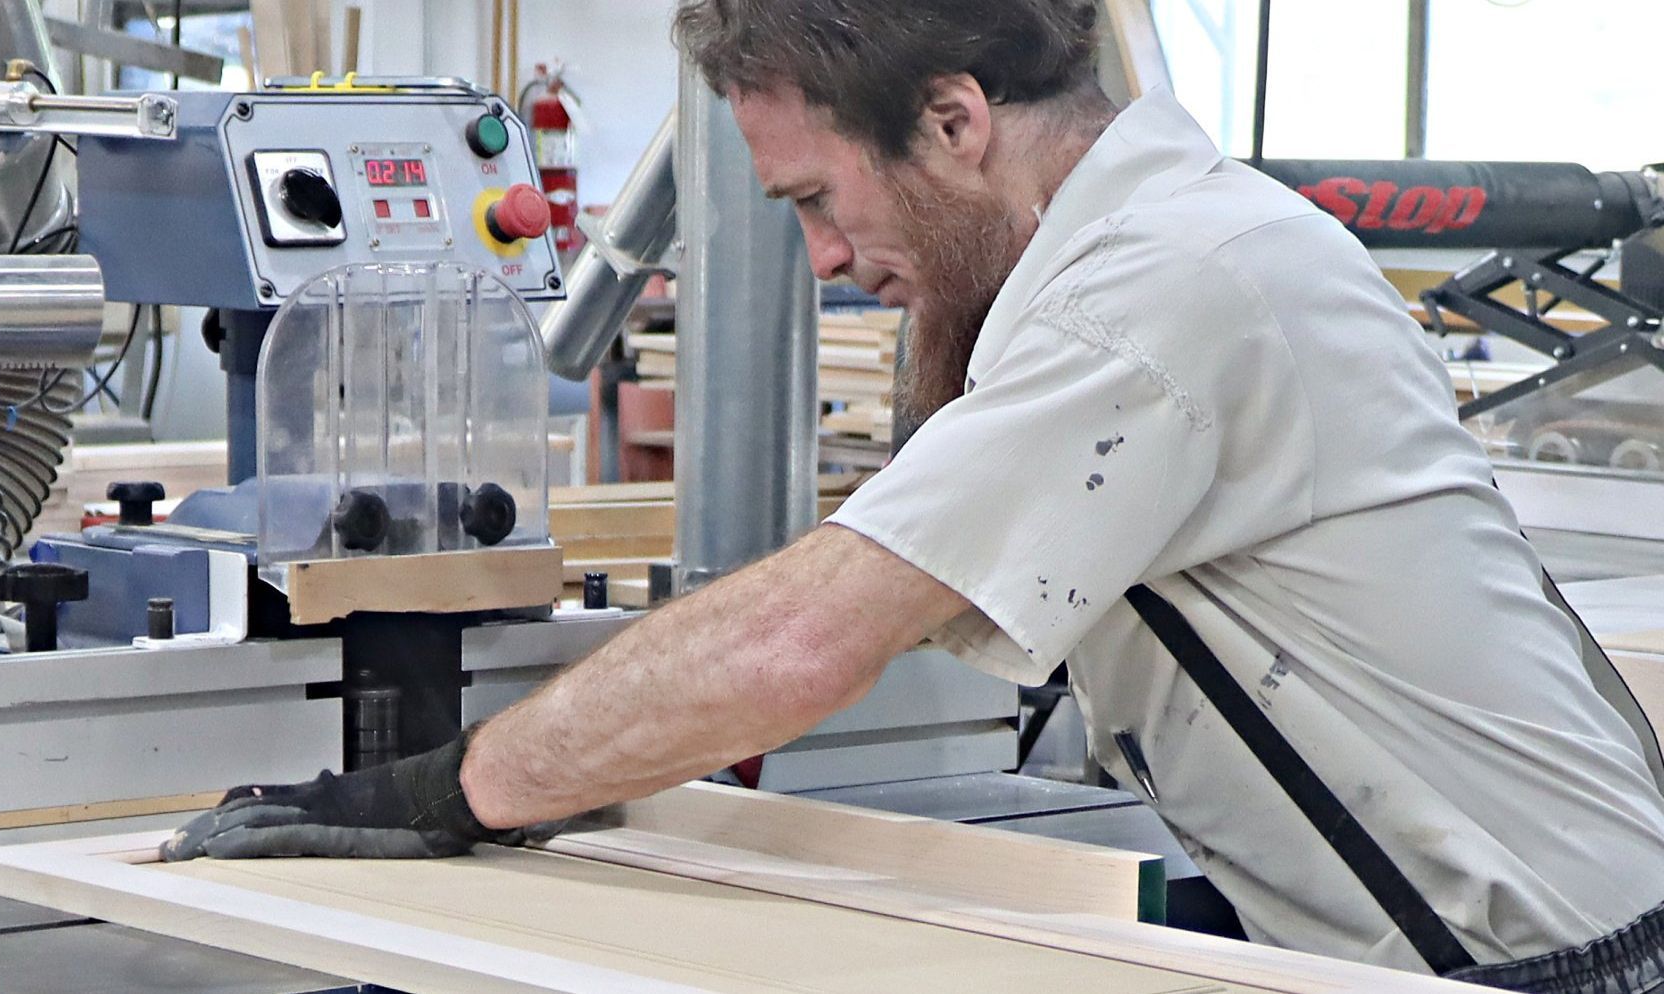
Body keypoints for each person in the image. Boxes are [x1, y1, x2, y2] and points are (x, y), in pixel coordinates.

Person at [165, 0, 1664, 987]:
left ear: (953, 119)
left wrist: (451, 789)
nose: (817, 255)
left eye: (817, 197)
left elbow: (801, 641)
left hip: (1539, 963)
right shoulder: (1162, 244)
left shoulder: (1151, 297)